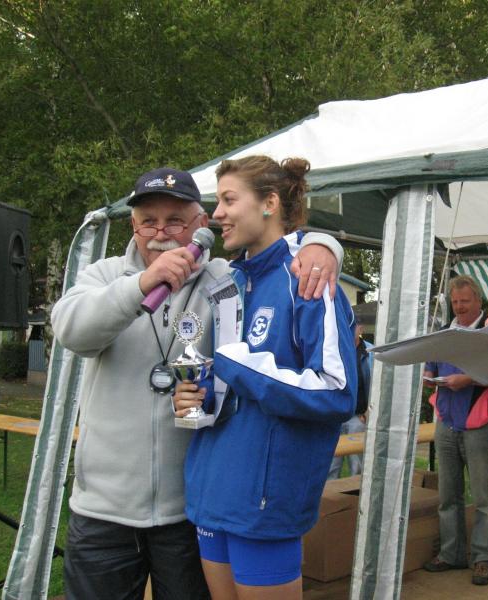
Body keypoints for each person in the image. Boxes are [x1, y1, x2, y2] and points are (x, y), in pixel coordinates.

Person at [51, 166, 342, 600]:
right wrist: (141, 285)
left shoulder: (225, 280)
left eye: (175, 221)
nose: (160, 233)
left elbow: (273, 250)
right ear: (132, 226)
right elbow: (72, 331)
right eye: (148, 221)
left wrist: (322, 245)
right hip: (103, 512)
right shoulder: (104, 276)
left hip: (187, 511)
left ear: (200, 224)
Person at [173, 155, 357, 600]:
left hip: (263, 503)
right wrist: (200, 394)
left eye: (228, 200)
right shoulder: (229, 282)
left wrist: (239, 365)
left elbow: (336, 392)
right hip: (213, 492)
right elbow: (232, 382)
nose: (217, 214)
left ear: (269, 203)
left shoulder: (308, 276)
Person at [422, 275, 488, 586]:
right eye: (455, 302)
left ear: (478, 300)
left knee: (483, 497)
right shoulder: (444, 333)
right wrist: (428, 376)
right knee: (448, 496)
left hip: (479, 425)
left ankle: (484, 558)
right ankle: (451, 554)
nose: (459, 307)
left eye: (464, 301)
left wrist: (469, 380)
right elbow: (431, 366)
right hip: (446, 423)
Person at [327, 323, 372, 479]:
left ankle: (355, 493)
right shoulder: (333, 349)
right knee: (331, 464)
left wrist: (367, 414)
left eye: (354, 325)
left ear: (361, 329)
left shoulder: (370, 352)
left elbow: (378, 384)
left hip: (358, 417)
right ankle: (331, 493)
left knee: (357, 465)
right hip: (334, 417)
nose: (350, 329)